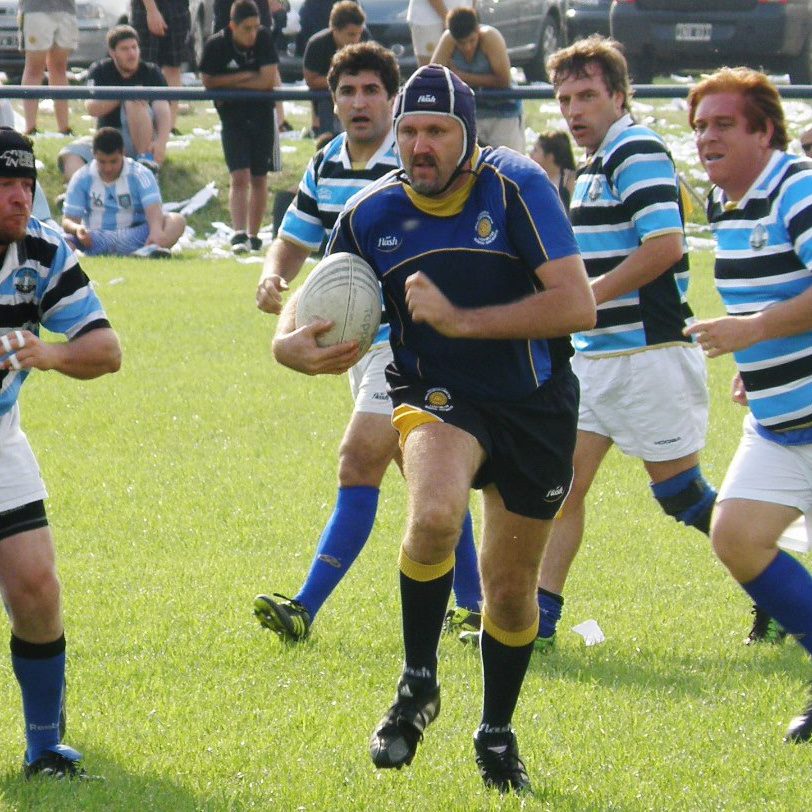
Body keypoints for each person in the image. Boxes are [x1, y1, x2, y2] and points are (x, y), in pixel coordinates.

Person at [319, 64, 594, 792]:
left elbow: (577, 305)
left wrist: (463, 319)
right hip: (436, 393)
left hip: (534, 402)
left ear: (469, 138)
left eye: (436, 131)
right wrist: (290, 344)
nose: (419, 146)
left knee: (509, 595)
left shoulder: (517, 187)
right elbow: (316, 300)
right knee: (435, 515)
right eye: (408, 130)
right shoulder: (372, 213)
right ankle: (417, 683)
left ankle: (496, 731)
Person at [254, 43, 483, 643]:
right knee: (427, 476)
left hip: (408, 345)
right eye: (347, 92)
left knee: (358, 458)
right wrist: (274, 275)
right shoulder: (327, 161)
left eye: (371, 91)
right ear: (332, 101)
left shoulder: (414, 161)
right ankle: (476, 606)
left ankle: (304, 606)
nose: (358, 102)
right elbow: (298, 239)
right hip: (358, 344)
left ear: (393, 99)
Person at [532, 36, 717, 653]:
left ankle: (771, 581)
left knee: (681, 496)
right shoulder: (592, 165)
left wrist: (590, 297)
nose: (574, 110)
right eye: (564, 99)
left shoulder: (633, 149)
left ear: (618, 94)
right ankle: (539, 620)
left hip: (649, 356)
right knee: (562, 488)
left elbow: (664, 247)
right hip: (598, 361)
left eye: (587, 95)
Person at [685, 67, 812, 742]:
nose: (707, 136)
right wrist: (755, 366)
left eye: (724, 124)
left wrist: (753, 333)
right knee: (735, 536)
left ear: (765, 131)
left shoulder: (797, 187)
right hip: (778, 421)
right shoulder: (730, 205)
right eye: (700, 125)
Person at [0, 127, 121, 778]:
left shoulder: (42, 252)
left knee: (37, 587)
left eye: (27, 185)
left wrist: (48, 351)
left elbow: (106, 350)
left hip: (0, 439)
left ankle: (44, 746)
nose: (21, 198)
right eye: (6, 185)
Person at [201, 0, 281, 254]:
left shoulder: (264, 38)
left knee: (259, 176)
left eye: (256, 27)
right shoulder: (216, 44)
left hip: (261, 116)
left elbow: (268, 79)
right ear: (232, 26)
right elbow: (208, 81)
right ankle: (238, 233)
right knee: (239, 176)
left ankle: (254, 235)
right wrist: (248, 76)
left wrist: (229, 84)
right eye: (247, 28)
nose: (252, 33)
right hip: (232, 118)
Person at [58, 25, 171, 184]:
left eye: (134, 47)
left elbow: (163, 109)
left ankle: (146, 166)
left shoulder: (151, 71)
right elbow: (91, 108)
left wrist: (161, 142)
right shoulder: (99, 70)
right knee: (70, 154)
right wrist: (121, 95)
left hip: (141, 139)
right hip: (107, 139)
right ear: (112, 52)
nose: (131, 53)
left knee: (134, 100)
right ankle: (81, 189)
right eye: (125, 49)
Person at [61, 127, 185, 258]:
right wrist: (77, 229)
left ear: (123, 154)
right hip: (95, 238)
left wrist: (156, 232)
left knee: (176, 221)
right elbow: (68, 220)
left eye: (113, 161)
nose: (108, 168)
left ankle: (146, 251)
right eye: (102, 162)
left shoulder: (140, 174)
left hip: (135, 235)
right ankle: (64, 263)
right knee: (62, 238)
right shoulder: (81, 177)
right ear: (94, 155)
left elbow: (154, 209)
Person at [431, 6, 524, 153]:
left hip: (503, 112)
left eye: (472, 40)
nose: (467, 47)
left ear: (478, 30)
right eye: (461, 43)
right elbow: (433, 77)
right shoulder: (448, 39)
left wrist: (461, 77)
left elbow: (503, 81)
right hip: (470, 115)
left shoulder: (491, 37)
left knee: (510, 167)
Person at [303, 1, 367, 139]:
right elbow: (312, 80)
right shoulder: (317, 44)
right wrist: (346, 82)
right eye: (350, 34)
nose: (356, 39)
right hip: (325, 101)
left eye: (358, 34)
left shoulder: (366, 41)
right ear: (334, 29)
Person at [130, 0, 191, 132]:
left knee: (173, 66)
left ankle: (169, 127)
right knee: (142, 67)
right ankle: (142, 125)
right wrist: (151, 10)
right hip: (147, 8)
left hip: (177, 8)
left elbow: (173, 69)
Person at [19, 0, 76, 136]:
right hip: (36, 9)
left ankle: (64, 129)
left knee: (60, 68)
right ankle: (30, 128)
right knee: (34, 68)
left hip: (66, 9)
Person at [407, 0, 473, 68]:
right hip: (428, 20)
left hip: (462, 18)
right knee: (430, 70)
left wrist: (472, 14)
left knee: (463, 67)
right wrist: (449, 21)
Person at [530, 130, 576, 213]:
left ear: (550, 157)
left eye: (535, 150)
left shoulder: (569, 180)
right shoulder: (533, 179)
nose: (531, 154)